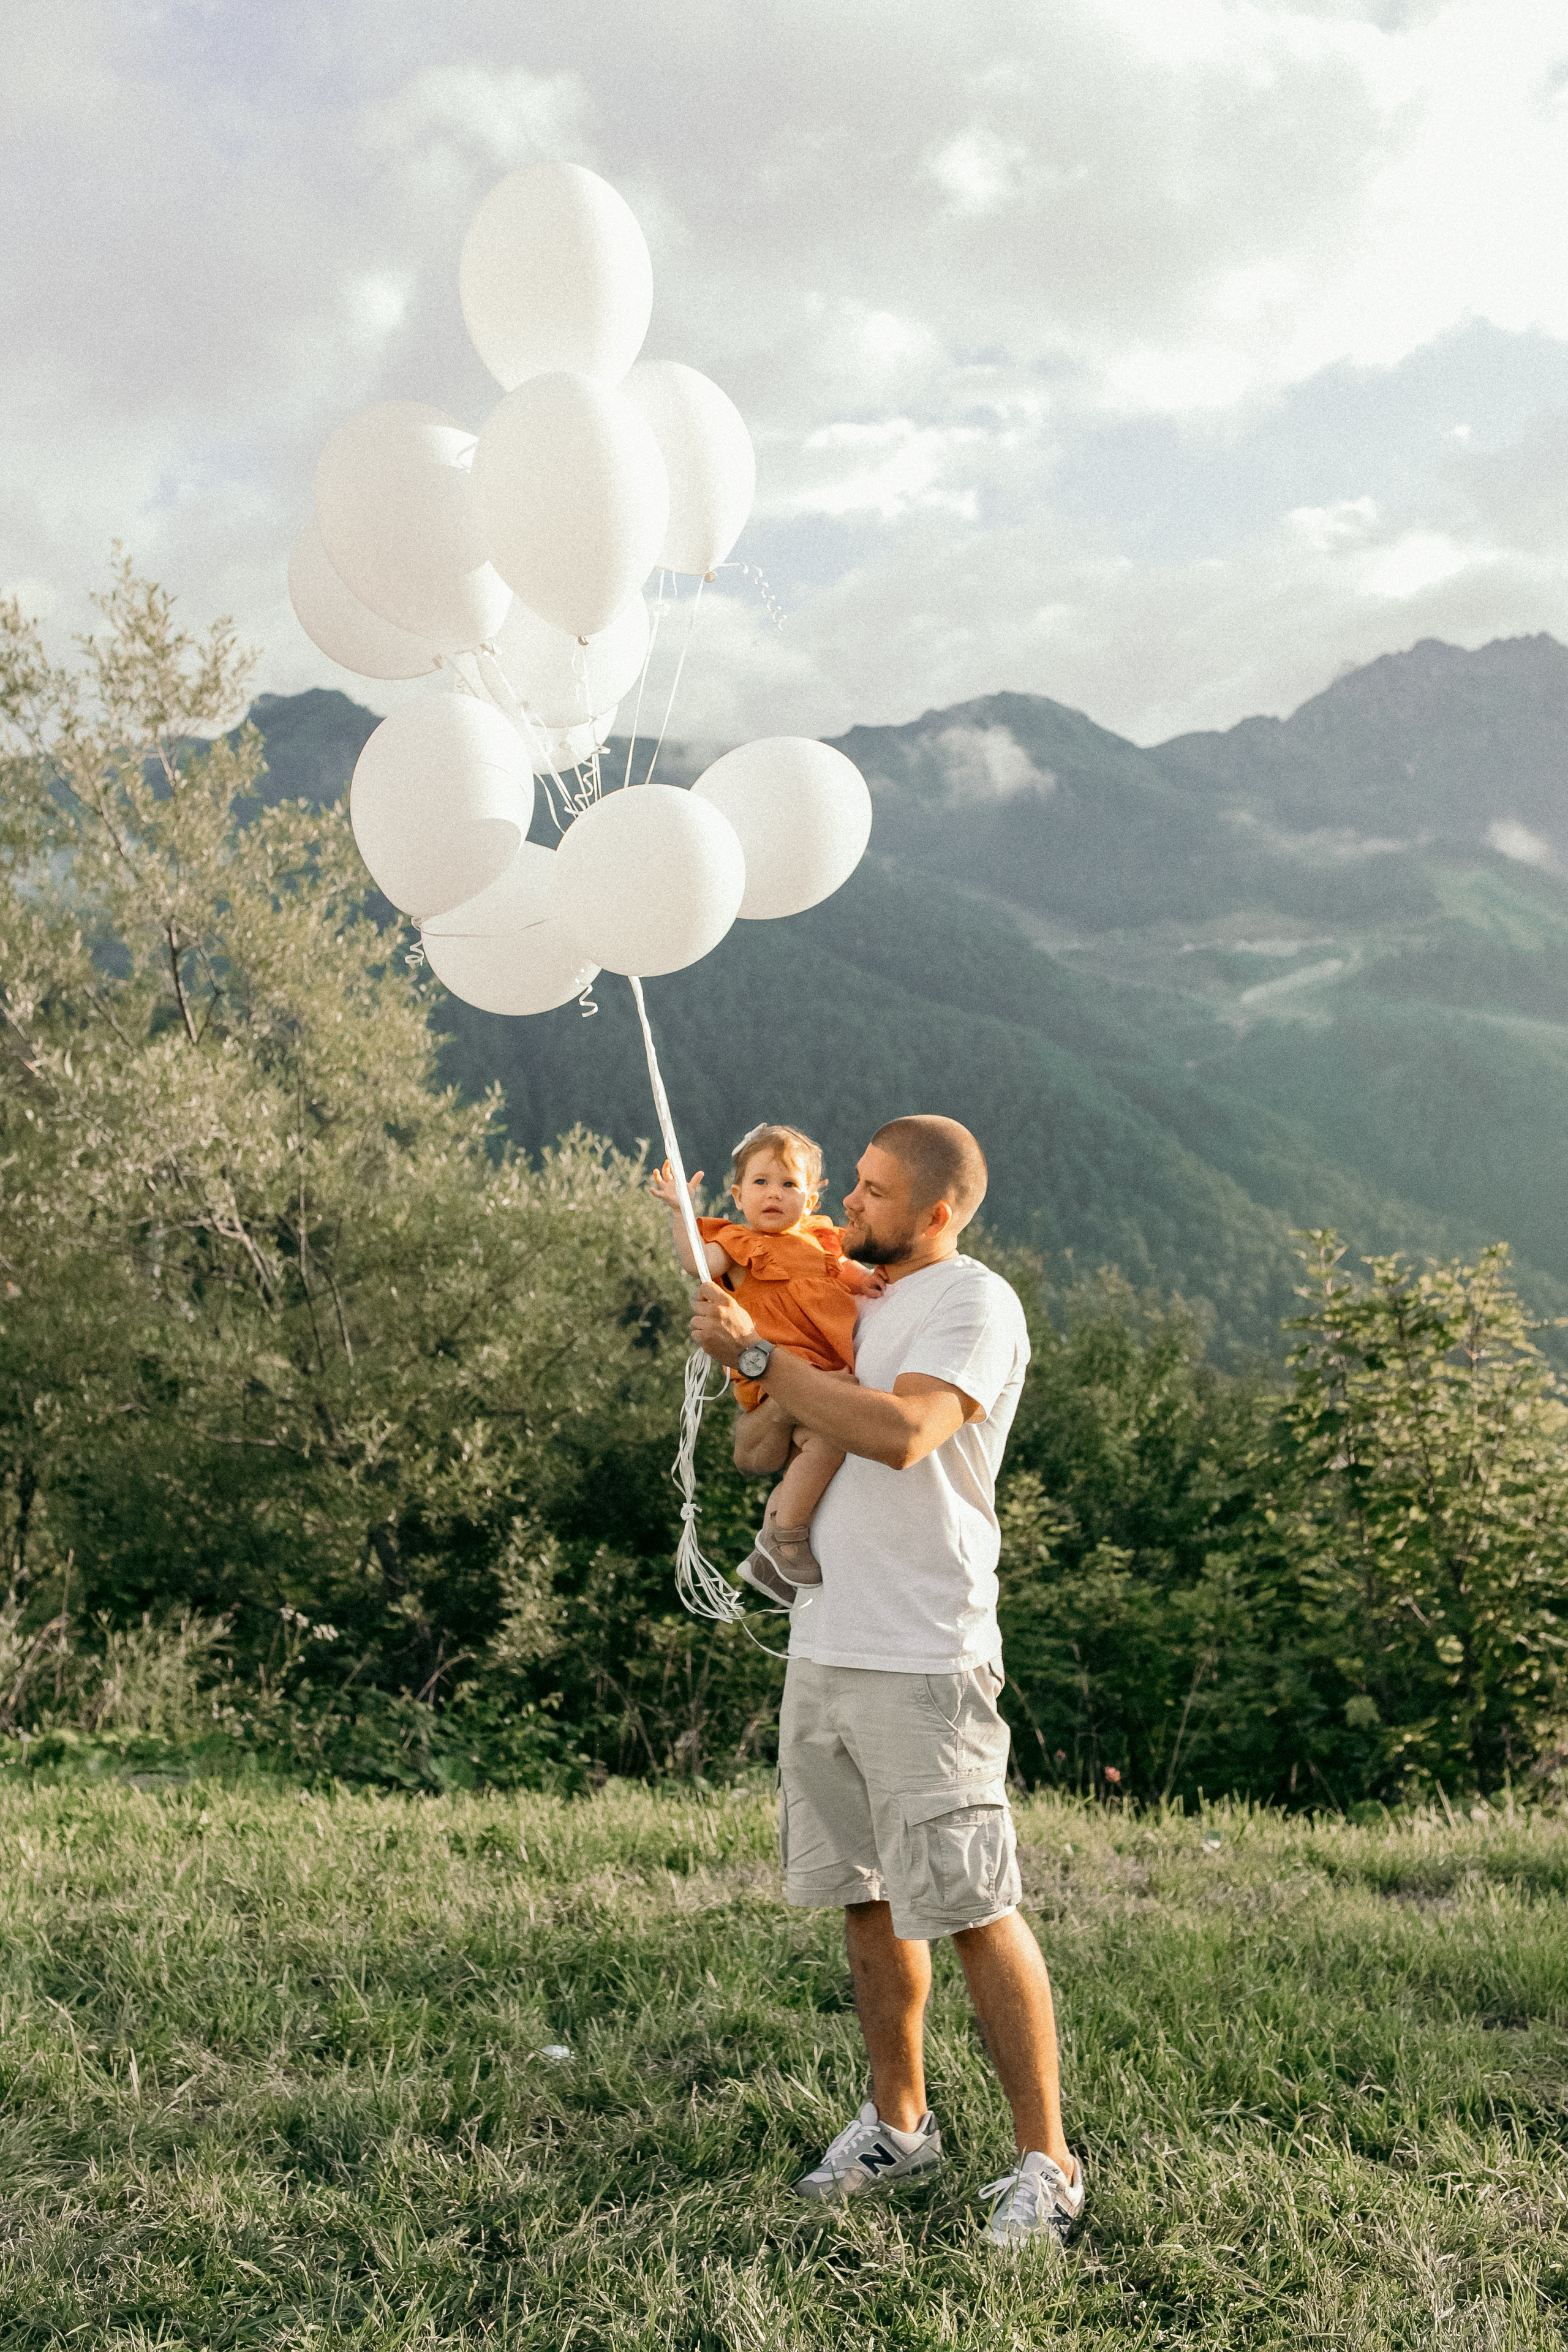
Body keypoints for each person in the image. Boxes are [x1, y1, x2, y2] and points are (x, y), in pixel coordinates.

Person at [690, 1114, 1084, 2251]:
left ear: (937, 1214)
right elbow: (758, 1457)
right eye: (849, 1186)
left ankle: (1048, 2166)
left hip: (924, 1653)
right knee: (867, 1897)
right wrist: (745, 1352)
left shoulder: (972, 1304)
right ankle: (900, 2126)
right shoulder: (848, 1298)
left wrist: (767, 1362)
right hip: (826, 1641)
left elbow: (909, 1433)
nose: (845, 1206)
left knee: (970, 1903)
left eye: (867, 1193)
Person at [651, 1123, 885, 1607]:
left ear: (812, 1198)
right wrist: (681, 1211)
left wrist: (865, 1281)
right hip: (775, 1369)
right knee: (826, 1446)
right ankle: (787, 1537)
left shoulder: (822, 1240)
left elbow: (845, 1271)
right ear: (737, 1196)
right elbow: (695, 1262)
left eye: (789, 1184)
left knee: (810, 1452)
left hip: (820, 1367)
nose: (774, 1195)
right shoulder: (739, 1244)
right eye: (760, 1183)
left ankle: (769, 1550)